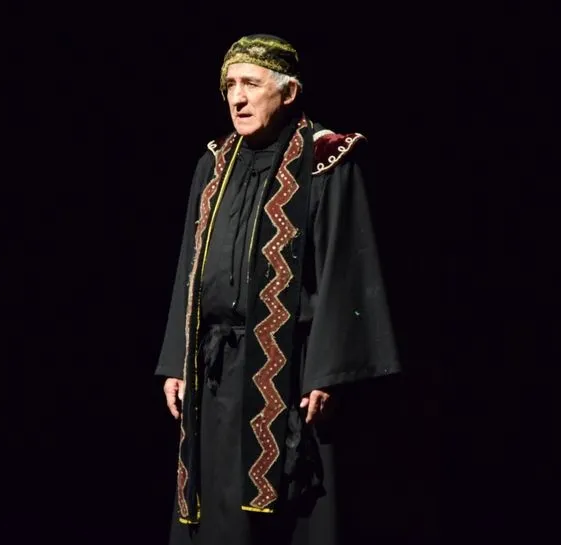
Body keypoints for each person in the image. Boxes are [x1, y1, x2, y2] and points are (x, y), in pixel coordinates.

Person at [154, 34, 402, 545]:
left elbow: (345, 271)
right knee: (215, 509)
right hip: (215, 370)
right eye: (230, 86)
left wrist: (327, 371)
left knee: (286, 511)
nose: (237, 98)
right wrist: (178, 359)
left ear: (288, 92)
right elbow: (190, 266)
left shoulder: (326, 161)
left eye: (251, 84)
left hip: (289, 372)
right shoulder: (215, 163)